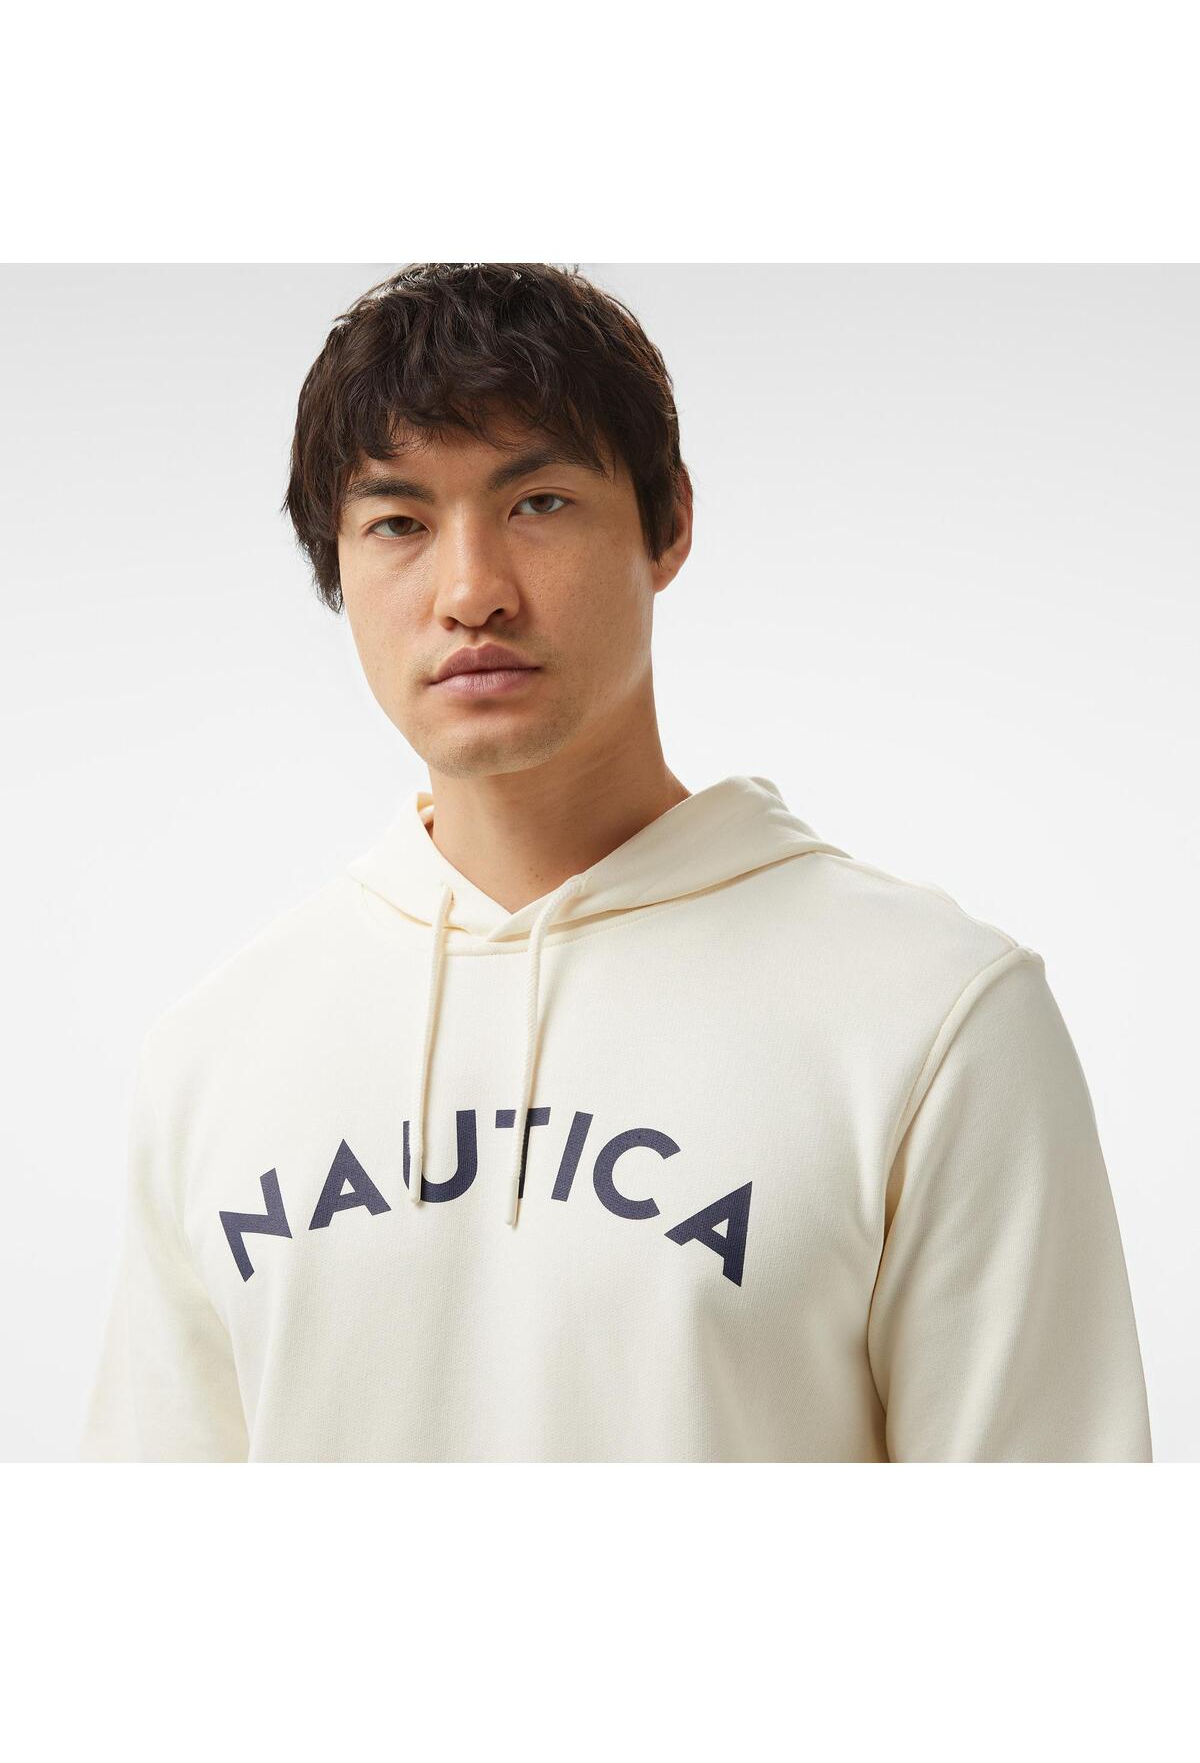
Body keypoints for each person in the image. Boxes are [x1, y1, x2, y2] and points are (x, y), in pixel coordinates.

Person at [79, 262, 1152, 1463]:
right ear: (337, 565)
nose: (472, 593)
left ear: (668, 524)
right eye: (399, 524)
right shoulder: (218, 1056)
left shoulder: (932, 1017)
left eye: (537, 502)